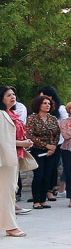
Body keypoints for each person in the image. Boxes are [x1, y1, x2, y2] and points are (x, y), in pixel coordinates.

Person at [2, 85, 33, 235]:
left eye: (13, 94)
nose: (12, 97)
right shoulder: (2, 115)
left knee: (9, 192)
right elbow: (3, 140)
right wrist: (22, 143)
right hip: (4, 160)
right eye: (8, 95)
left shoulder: (10, 114)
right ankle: (11, 227)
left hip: (10, 157)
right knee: (7, 193)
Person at [25, 93, 60, 209]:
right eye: (44, 103)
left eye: (49, 103)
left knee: (47, 175)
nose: (47, 105)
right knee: (38, 175)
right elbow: (30, 135)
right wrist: (46, 145)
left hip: (51, 152)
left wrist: (53, 147)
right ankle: (36, 200)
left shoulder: (53, 118)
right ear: (38, 104)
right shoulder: (32, 118)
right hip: (38, 150)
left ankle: (43, 199)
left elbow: (57, 134)